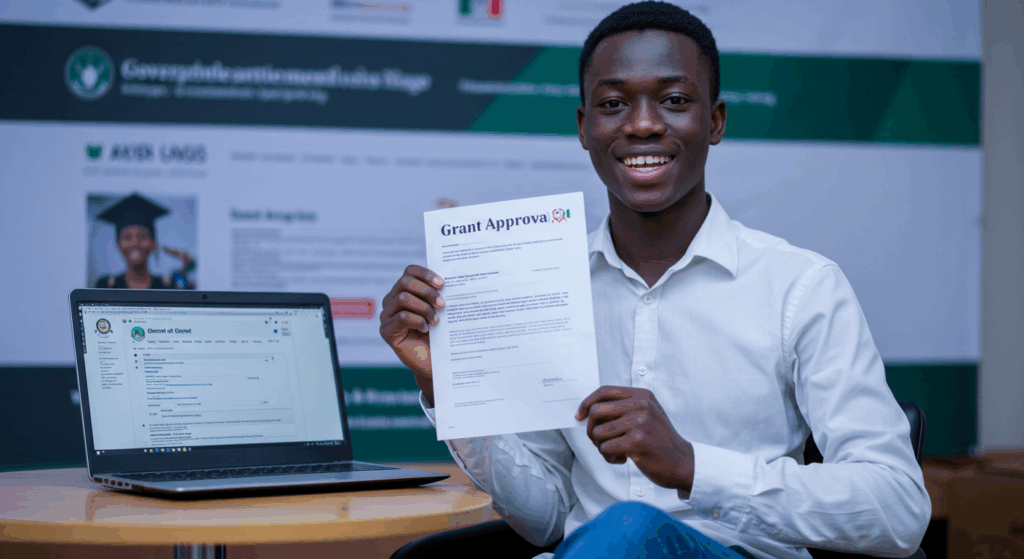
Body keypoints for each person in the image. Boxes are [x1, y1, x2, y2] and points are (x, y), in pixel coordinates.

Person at [379, 2, 930, 558]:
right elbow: (546, 518)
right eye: (614, 104)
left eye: (674, 101)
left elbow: (898, 508)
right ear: (584, 127)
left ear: (714, 121)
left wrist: (693, 466)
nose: (642, 124)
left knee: (629, 531)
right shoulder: (546, 288)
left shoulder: (801, 287)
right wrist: (444, 384)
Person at [93, 193, 196, 289]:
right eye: (127, 237)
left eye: (142, 237)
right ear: (118, 243)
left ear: (153, 243)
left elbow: (186, 286)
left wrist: (187, 265)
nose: (135, 243)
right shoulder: (106, 286)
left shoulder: (166, 285)